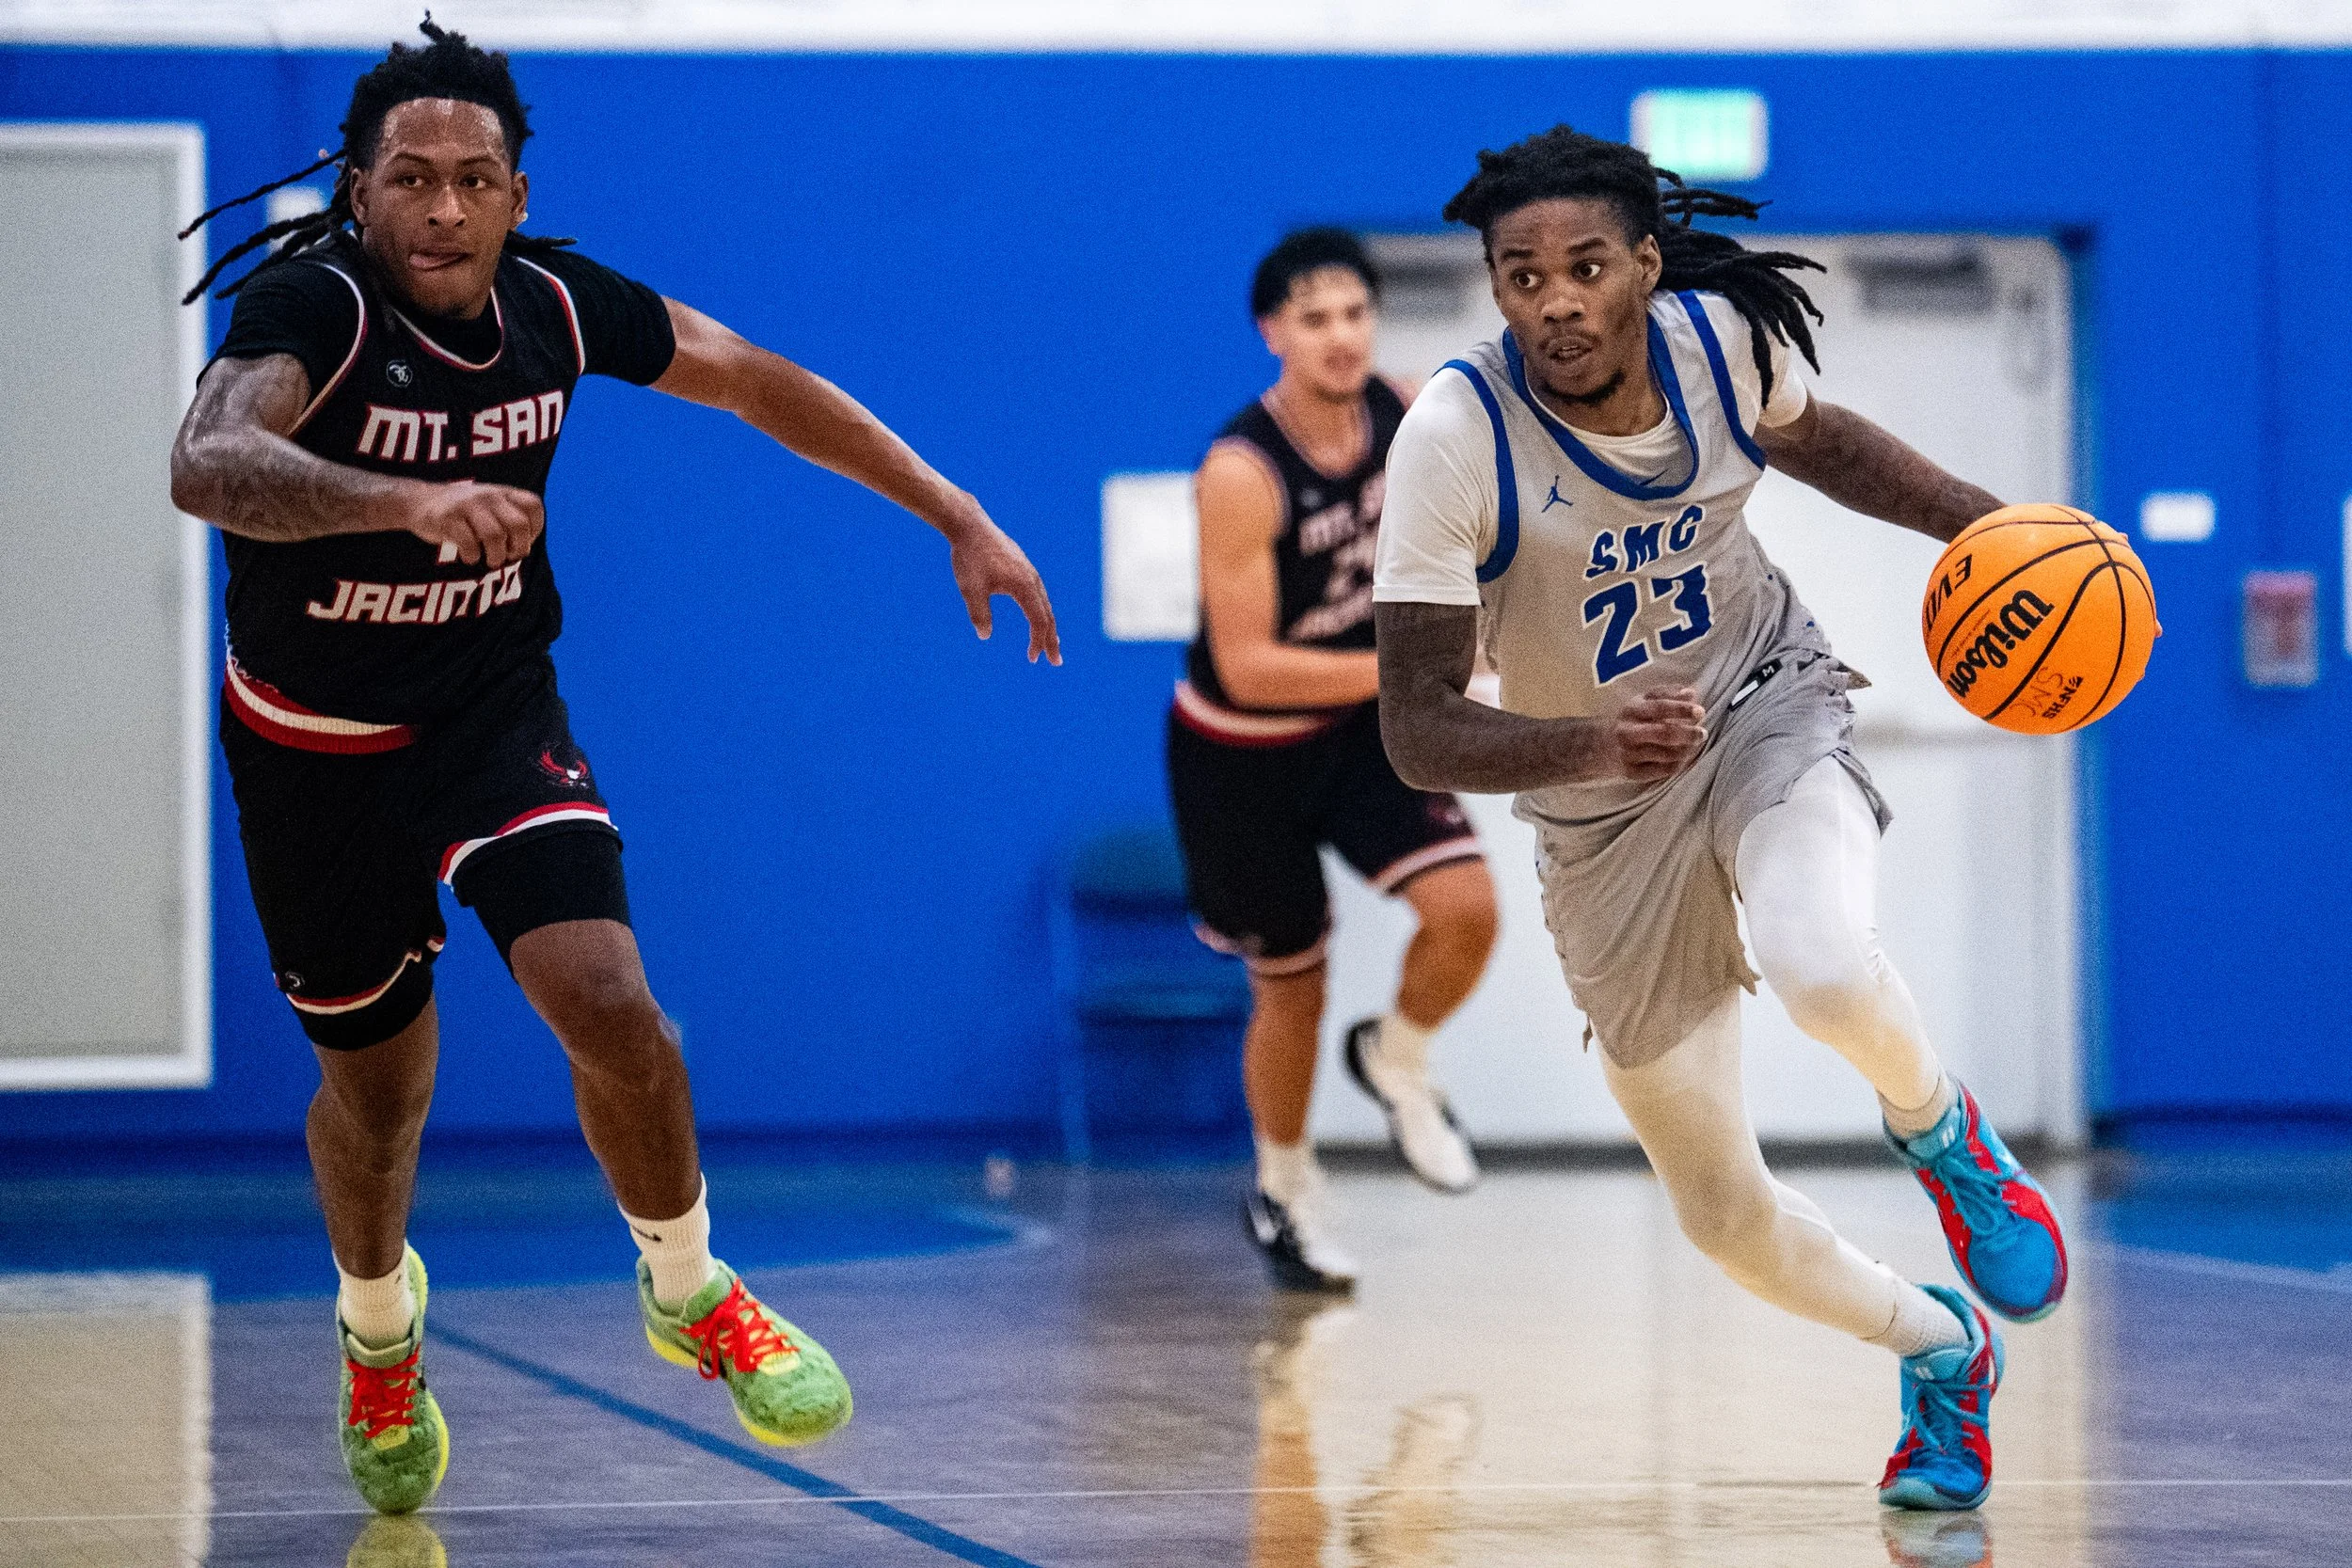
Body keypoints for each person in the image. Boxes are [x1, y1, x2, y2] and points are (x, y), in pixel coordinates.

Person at [168, 22, 1057, 1514]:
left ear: (518, 193)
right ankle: (379, 1328)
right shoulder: (306, 302)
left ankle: (689, 1282)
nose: (443, 208)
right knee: (378, 1098)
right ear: (358, 190)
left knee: (608, 997)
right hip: (310, 752)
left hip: (487, 715)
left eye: (475, 179)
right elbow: (206, 460)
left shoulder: (558, 308)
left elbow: (754, 378)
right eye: (410, 179)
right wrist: (402, 498)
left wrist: (949, 505)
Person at [1370, 126, 2067, 1510]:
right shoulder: (1454, 438)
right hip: (1595, 808)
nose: (1554, 298)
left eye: (1582, 266)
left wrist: (1985, 524)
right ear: (1496, 290)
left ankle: (1946, 1137)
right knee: (1724, 1218)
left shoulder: (1720, 345)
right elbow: (1414, 722)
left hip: (1758, 692)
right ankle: (1944, 1349)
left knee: (1819, 955)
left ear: (1641, 262)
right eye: (1521, 274)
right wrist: (1589, 738)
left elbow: (1826, 445)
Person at [1168, 229, 1499, 1294]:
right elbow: (1250, 665)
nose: (1341, 334)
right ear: (1272, 333)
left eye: (1354, 311)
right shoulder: (1240, 471)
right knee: (1293, 984)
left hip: (1356, 731)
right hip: (1242, 754)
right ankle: (1284, 1185)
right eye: (1314, 318)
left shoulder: (1407, 414)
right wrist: (1418, 668)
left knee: (1467, 909)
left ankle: (1397, 1056)